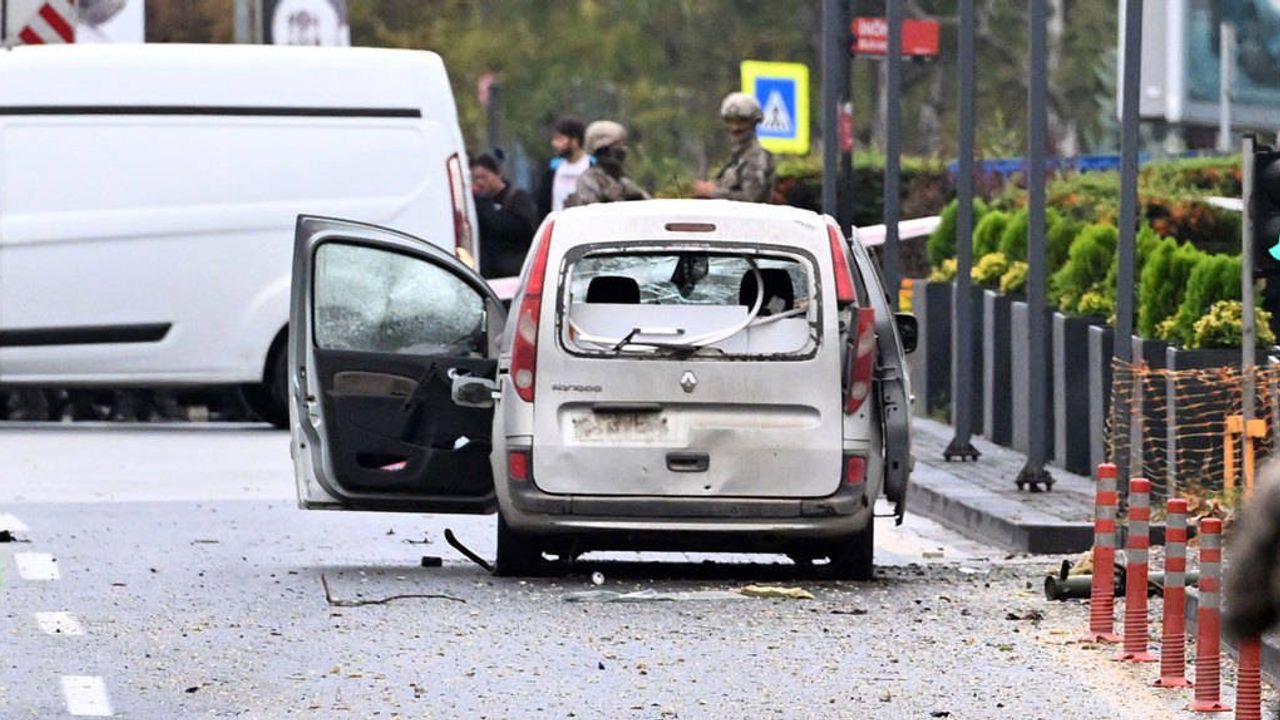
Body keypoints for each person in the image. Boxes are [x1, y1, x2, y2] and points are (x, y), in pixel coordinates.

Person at [691, 92, 776, 203]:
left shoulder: (756, 156)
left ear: (755, 122)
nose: (735, 127)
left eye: (742, 121)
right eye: (730, 120)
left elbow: (751, 198)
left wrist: (712, 192)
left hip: (748, 220)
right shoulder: (737, 157)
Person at [470, 152, 536, 279]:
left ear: (497, 174)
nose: (480, 182)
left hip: (512, 271)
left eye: (484, 177)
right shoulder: (476, 203)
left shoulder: (517, 198)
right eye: (476, 178)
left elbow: (524, 229)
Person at [563, 120, 650, 207]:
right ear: (602, 150)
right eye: (617, 145)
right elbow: (592, 213)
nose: (622, 150)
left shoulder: (623, 182)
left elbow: (648, 205)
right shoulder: (588, 180)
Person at [535, 118, 593, 220]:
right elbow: (543, 204)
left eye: (559, 139)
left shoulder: (592, 166)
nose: (554, 144)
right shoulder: (553, 170)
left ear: (575, 141)